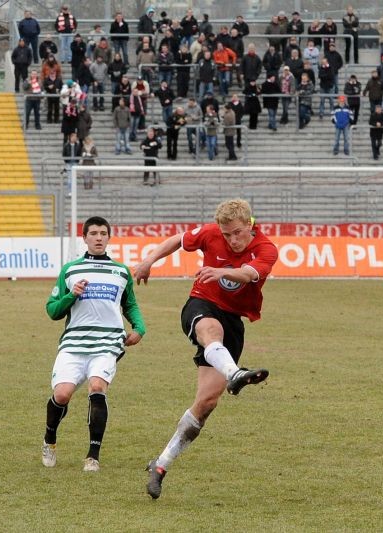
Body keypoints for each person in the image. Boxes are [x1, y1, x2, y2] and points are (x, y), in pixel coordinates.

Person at [136, 199, 277, 499]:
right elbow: (178, 240)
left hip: (234, 322)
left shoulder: (266, 248)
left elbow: (250, 274)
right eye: (226, 235)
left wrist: (221, 271)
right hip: (202, 304)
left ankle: (160, 465)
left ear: (249, 224)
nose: (232, 239)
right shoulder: (211, 233)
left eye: (237, 233)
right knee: (210, 329)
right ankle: (235, 374)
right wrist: (149, 260)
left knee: (206, 403)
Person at [41, 216, 145, 473]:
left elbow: (129, 304)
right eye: (93, 233)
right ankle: (49, 439)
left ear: (108, 238)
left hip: (108, 342)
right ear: (85, 238)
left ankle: (92, 455)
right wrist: (70, 295)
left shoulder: (121, 271)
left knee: (97, 387)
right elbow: (53, 311)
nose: (98, 237)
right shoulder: (70, 270)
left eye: (103, 233)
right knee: (62, 394)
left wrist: (139, 328)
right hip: (74, 343)